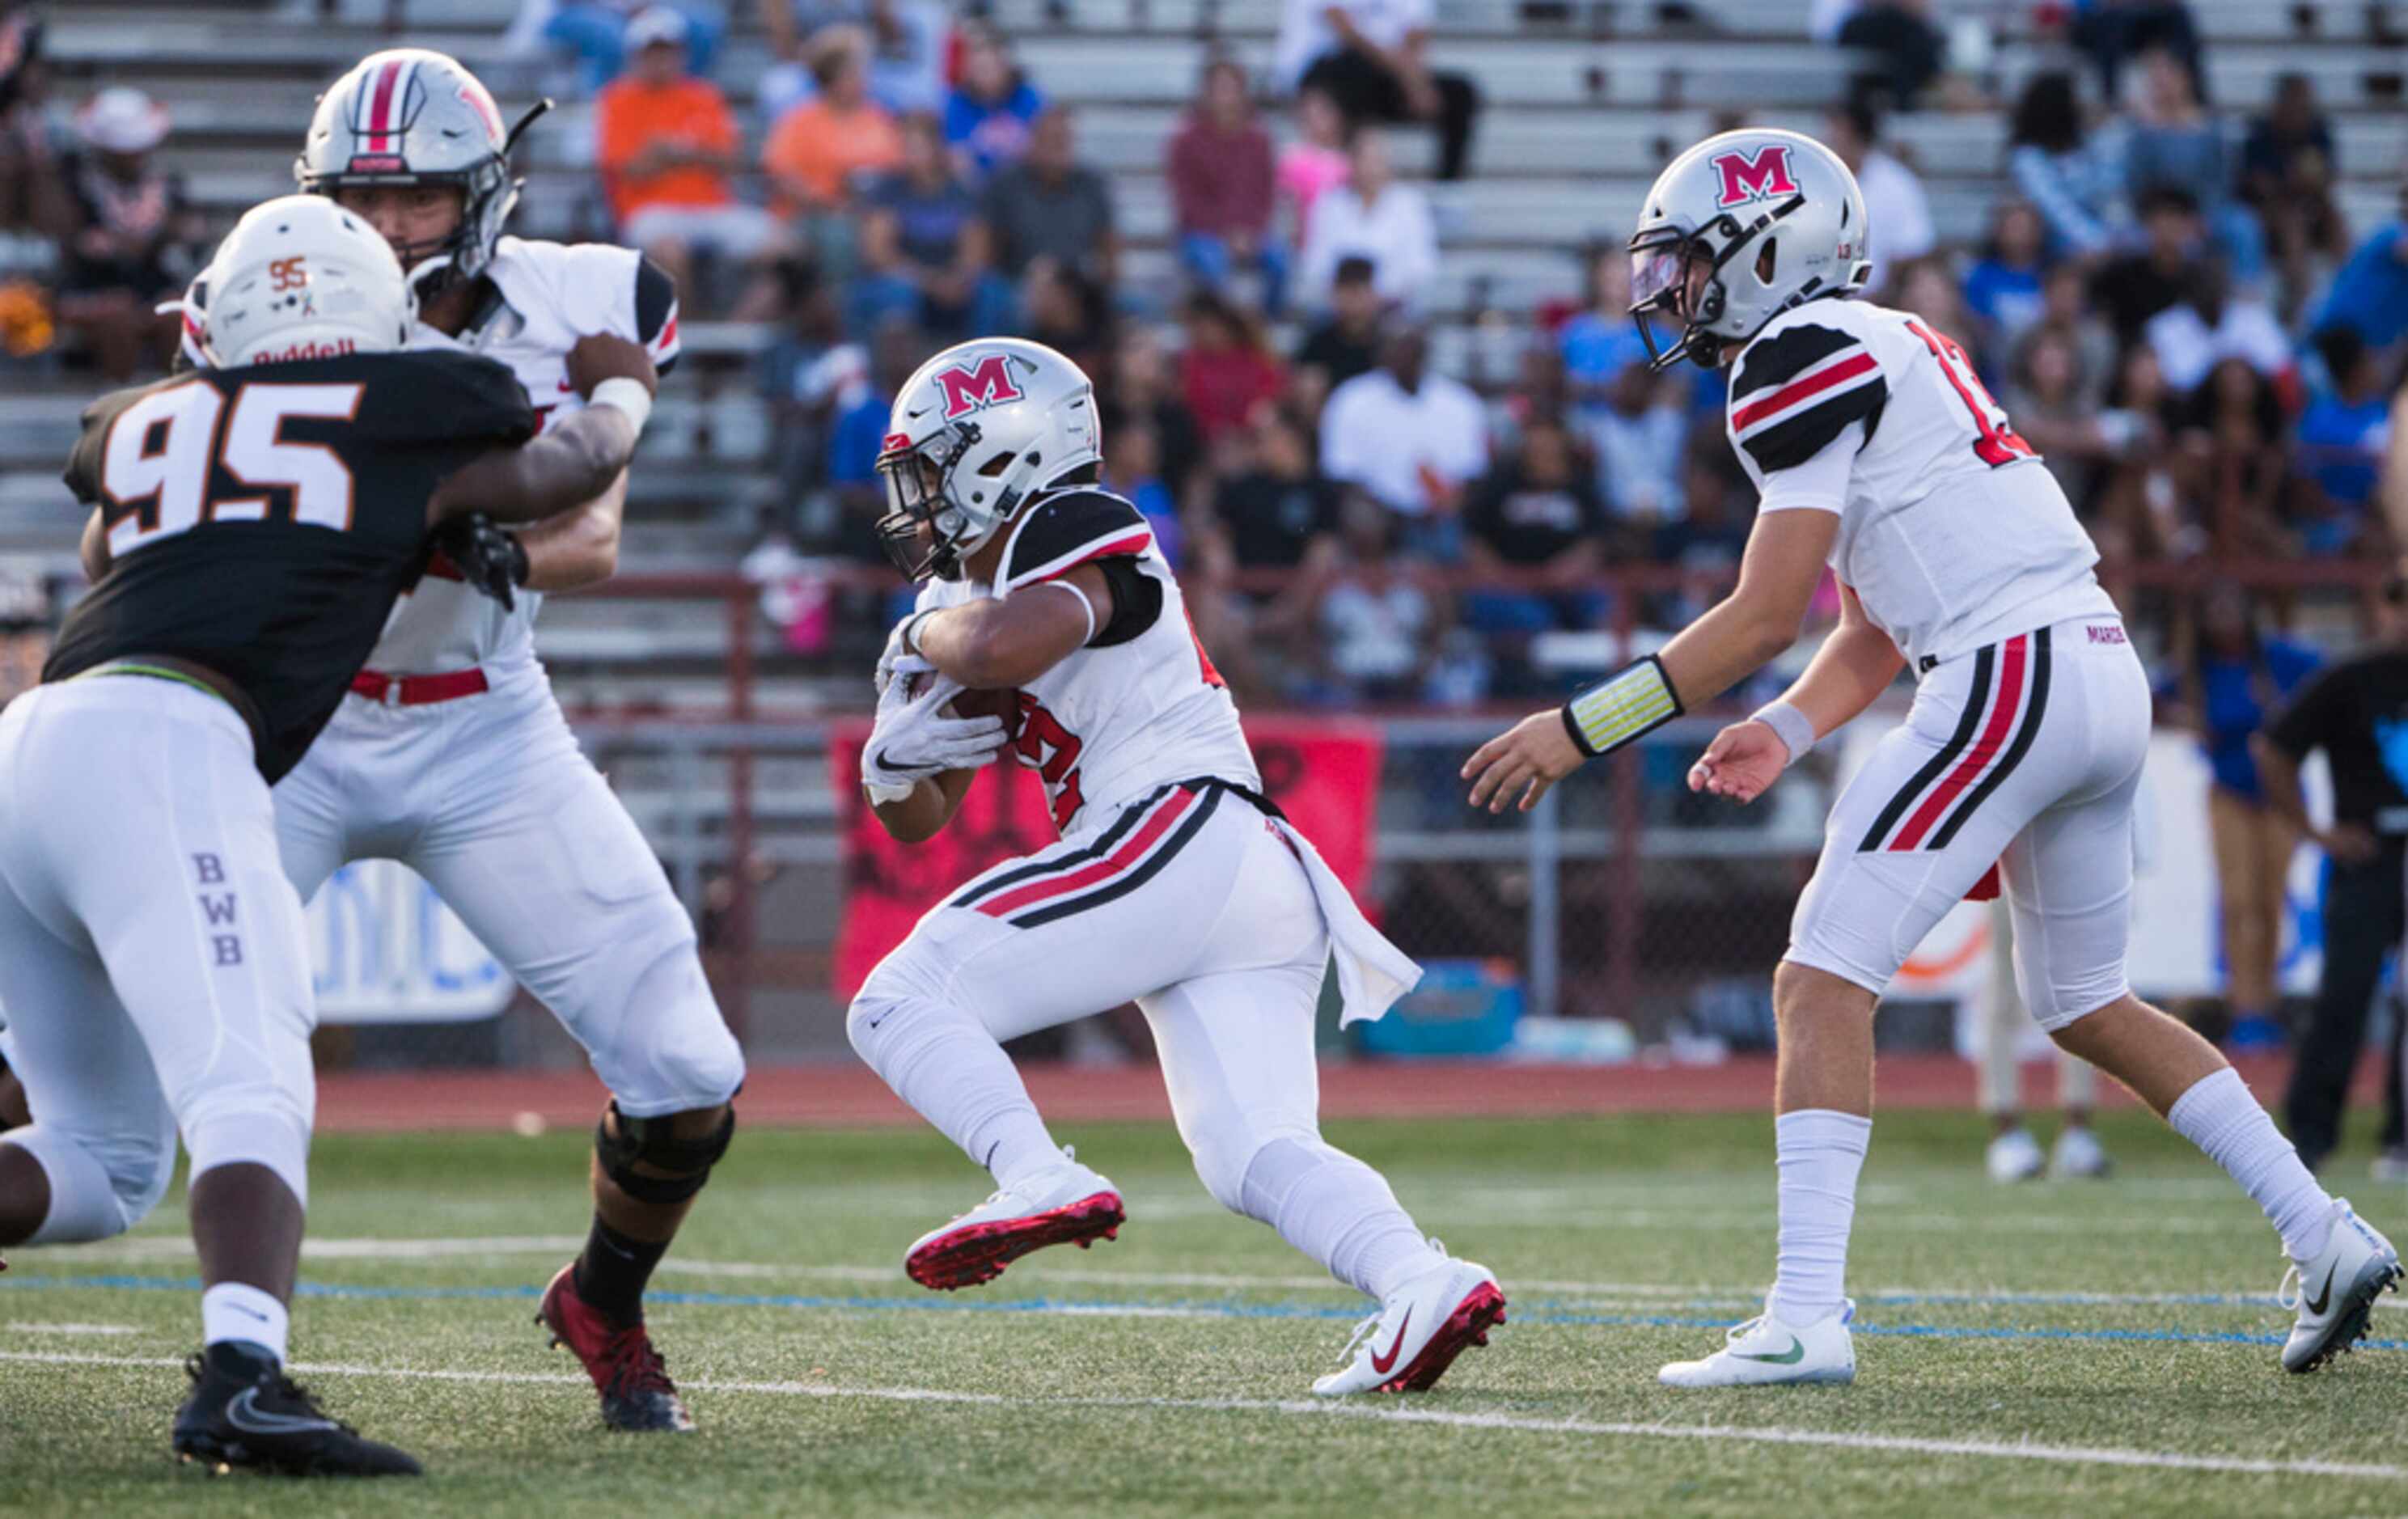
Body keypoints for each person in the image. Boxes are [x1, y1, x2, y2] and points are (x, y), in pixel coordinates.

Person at [1466, 129, 2399, 1387]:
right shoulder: (1885, 340)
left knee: (1816, 978)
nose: (1667, 292)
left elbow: (1758, 612)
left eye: (1686, 262)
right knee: (2082, 1002)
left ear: (1763, 250)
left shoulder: (1791, 356)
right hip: (2090, 666)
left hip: (2008, 669)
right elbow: (1860, 627)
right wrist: (1787, 727)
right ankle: (2323, 1232)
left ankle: (1804, 1316)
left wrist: (1581, 728)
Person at [0, 193, 650, 1474]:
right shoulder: (405, 400)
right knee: (250, 1073)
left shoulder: (140, 422)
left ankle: (244, 1365)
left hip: (33, 739)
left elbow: (99, 547)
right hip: (166, 741)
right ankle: (242, 1372)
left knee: (103, 1154)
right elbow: (560, 474)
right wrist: (622, 384)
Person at [177, 49, 745, 1434]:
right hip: (291, 720)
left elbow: (594, 539)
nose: (388, 230)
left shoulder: (583, 298)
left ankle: (603, 1297)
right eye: (360, 198)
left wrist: (463, 533)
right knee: (103, 1073)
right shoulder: (261, 293)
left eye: (420, 198)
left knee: (687, 1070)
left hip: (486, 732)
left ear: (484, 193)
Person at [849, 336, 1505, 1394]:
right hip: (1234, 870)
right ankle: (1416, 1278)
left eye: (928, 470)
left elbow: (1007, 644)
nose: (916, 503)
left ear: (999, 455)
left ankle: (1032, 1170)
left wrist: (925, 633)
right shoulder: (977, 601)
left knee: (898, 997)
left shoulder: (1070, 520)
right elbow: (922, 815)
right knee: (1250, 1152)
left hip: (1172, 829)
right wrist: (889, 761)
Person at [2256, 576, 2408, 1178]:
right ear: (2381, 605)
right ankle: (2310, 1137)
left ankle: (2400, 1139)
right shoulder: (2350, 680)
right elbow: (2273, 748)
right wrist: (2314, 831)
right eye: (2397, 599)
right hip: (2366, 855)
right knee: (2343, 997)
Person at [595, 7, 781, 300]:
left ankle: (741, 327)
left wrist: (676, 153)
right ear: (637, 57)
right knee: (669, 253)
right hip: (651, 209)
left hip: (711, 206)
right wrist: (680, 154)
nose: (661, 61)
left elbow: (732, 162)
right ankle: (680, 337)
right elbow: (628, 170)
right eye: (653, 53)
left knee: (781, 247)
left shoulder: (704, 96)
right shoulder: (618, 100)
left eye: (668, 52)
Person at [53, 87, 201, 381]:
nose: (134, 157)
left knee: (175, 314)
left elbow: (192, 236)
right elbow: (73, 245)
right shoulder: (74, 184)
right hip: (91, 292)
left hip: (153, 290)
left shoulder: (168, 186)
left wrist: (178, 235)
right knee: (117, 316)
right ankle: (116, 402)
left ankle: (176, 400)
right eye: (124, 152)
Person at [1318, 322, 1488, 556]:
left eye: (1411, 348)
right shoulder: (1352, 398)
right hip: (1378, 513)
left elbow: (1473, 474)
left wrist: (1445, 503)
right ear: (1381, 352)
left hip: (1440, 515)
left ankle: (1446, 589)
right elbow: (1341, 475)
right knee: (1362, 518)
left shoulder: (1460, 402)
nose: (1403, 356)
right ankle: (1371, 587)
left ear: (1425, 351)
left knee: (1464, 532)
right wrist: (1394, 512)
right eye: (1395, 347)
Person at [1978, 899, 2112, 1182]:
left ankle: (2078, 1131)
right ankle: (2006, 1132)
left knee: (2079, 988)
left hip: (2072, 861)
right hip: (2006, 863)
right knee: (2004, 988)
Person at [1278, 0, 1479, 181]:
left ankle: (1448, 190)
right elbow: (1345, 31)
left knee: (1460, 94)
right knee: (1352, 67)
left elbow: (1416, 33)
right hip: (1323, 73)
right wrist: (1409, 77)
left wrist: (1415, 81)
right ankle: (1339, 176)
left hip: (1382, 73)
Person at [856, 111, 1014, 342]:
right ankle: (908, 368)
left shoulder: (962, 190)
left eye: (917, 147)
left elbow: (976, 251)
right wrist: (929, 283)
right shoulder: (888, 190)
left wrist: (958, 279)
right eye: (905, 146)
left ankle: (984, 361)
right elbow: (880, 255)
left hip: (953, 280)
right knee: (898, 292)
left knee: (992, 290)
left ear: (937, 148)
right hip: (908, 280)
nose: (910, 155)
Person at [1170, 58, 1285, 315]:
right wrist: (1226, 233)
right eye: (1219, 89)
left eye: (1231, 88)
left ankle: (1267, 325)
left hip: (1250, 232)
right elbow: (1188, 201)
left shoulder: (1259, 140)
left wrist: (1249, 233)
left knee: (1280, 261)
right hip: (1201, 232)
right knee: (1213, 262)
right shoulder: (1186, 140)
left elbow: (1265, 196)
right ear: (1206, 93)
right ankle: (1225, 326)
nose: (1226, 97)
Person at [760, 25, 903, 214]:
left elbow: (898, 168)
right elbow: (780, 176)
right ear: (831, 78)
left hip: (871, 217)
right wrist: (825, 204)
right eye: (853, 73)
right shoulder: (799, 122)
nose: (863, 80)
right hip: (812, 218)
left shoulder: (879, 117)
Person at [1294, 130, 1437, 314]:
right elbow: (1315, 263)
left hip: (1393, 308)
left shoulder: (1410, 204)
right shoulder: (1330, 205)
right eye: (1365, 160)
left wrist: (1380, 296)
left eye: (1377, 161)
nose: (1371, 169)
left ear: (1388, 165)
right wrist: (1346, 297)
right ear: (1352, 164)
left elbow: (1421, 265)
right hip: (1338, 309)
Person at [980, 105, 1117, 285]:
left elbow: (1109, 252)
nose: (1059, 147)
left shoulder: (1092, 184)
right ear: (1033, 142)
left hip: (1077, 286)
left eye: (1064, 140)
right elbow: (984, 251)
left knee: (1139, 304)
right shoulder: (1004, 184)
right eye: (1052, 140)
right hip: (1017, 283)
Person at [1820, 96, 1934, 295]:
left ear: (1857, 134)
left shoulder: (1897, 184)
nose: (1828, 137)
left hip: (1881, 303)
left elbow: (1911, 250)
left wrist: (1880, 301)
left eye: (1837, 130)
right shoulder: (1816, 180)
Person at [2008, 71, 2125, 259]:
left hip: (2102, 236)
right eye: (2076, 102)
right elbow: (2056, 210)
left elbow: (2111, 188)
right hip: (2054, 243)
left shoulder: (2089, 144)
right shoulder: (2027, 158)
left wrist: (2104, 130)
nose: (2082, 107)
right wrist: (2098, 241)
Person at [942, 21, 1043, 182]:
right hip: (977, 193)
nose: (985, 75)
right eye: (979, 69)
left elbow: (1042, 152)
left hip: (1024, 190)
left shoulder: (1030, 98)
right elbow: (957, 158)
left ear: (1005, 65)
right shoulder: (956, 103)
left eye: (991, 67)